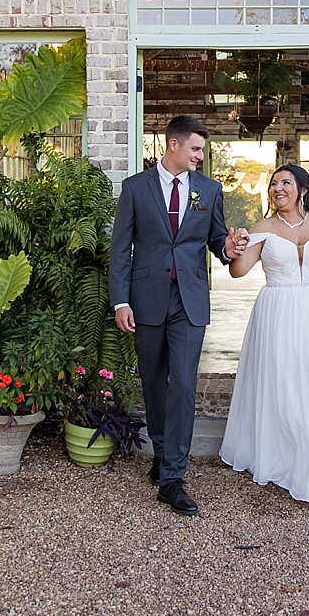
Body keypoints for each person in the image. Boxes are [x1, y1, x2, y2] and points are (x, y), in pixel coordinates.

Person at [218, 161, 309, 507]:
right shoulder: (262, 226)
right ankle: (290, 460)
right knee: (284, 392)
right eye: (272, 184)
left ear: (303, 189)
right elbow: (238, 272)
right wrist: (233, 249)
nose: (277, 189)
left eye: (285, 182)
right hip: (277, 312)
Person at [110, 113, 230, 518]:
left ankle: (174, 477)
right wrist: (120, 302)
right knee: (153, 383)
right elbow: (120, 249)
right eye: (196, 148)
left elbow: (217, 240)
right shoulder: (135, 189)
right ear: (173, 145)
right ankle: (162, 454)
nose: (200, 156)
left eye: (202, 150)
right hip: (145, 300)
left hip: (189, 300)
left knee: (182, 382)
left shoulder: (210, 190)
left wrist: (229, 247)